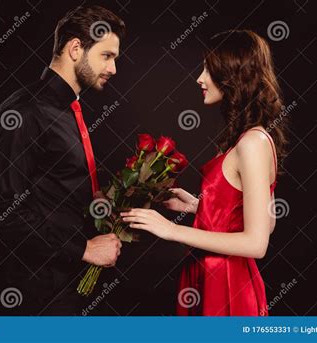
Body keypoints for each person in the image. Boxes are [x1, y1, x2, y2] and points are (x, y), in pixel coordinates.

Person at [121, 30, 289, 316]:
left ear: (233, 75)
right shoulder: (249, 138)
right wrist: (201, 207)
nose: (200, 78)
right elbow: (265, 219)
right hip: (208, 275)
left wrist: (173, 230)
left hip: (227, 285)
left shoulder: (253, 143)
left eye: (209, 70)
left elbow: (257, 242)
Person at [0, 5, 125, 315]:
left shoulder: (70, 110)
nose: (113, 69)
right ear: (75, 49)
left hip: (69, 286)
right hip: (36, 294)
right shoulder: (24, 111)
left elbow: (53, 188)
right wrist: (83, 249)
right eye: (106, 56)